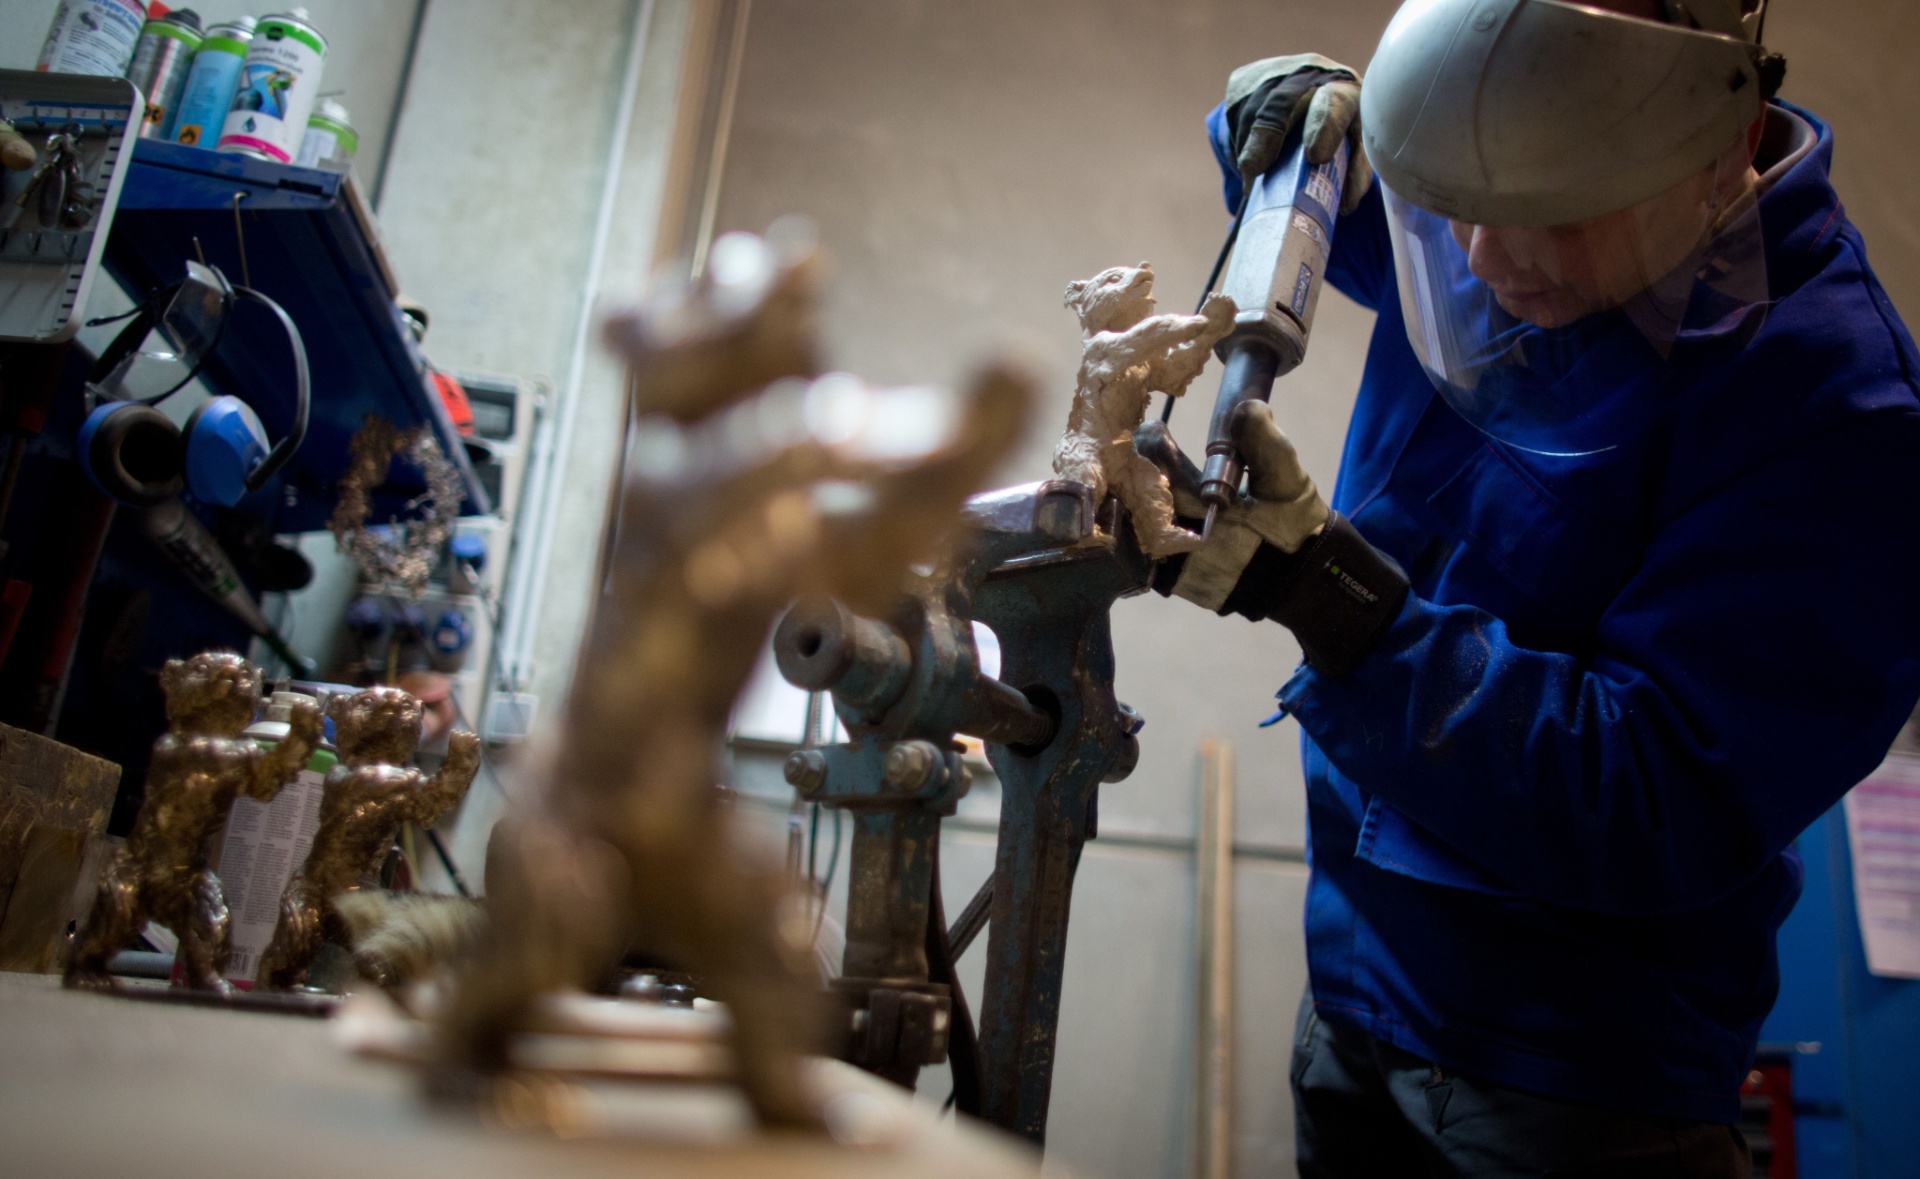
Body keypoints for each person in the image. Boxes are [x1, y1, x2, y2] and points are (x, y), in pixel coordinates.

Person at [1151, 1, 1920, 1174]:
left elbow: (1656, 793)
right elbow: (1354, 203)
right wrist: (1281, 125)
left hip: (1575, 1080)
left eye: (1543, 218)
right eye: (1451, 208)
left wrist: (1337, 605)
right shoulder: (1527, 232)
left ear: (1726, 149)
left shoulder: (1836, 412)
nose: (1481, 260)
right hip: (1356, 988)